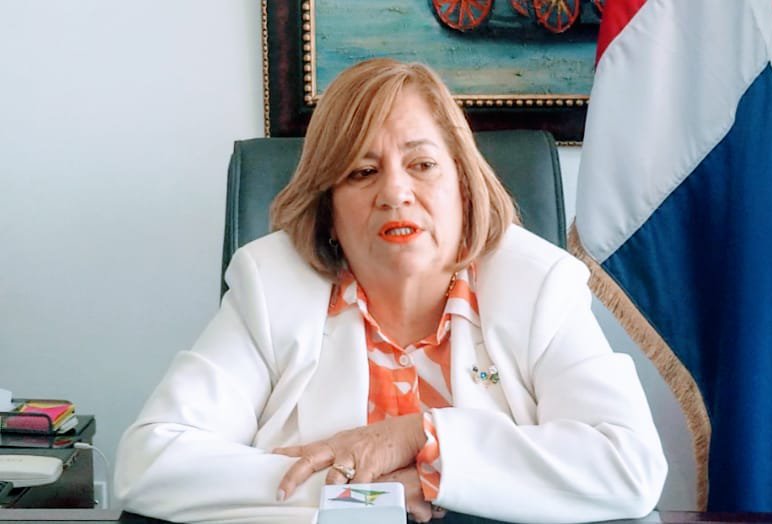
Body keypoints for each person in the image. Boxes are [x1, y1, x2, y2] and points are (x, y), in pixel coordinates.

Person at [114, 58, 667, 523]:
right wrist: (360, 500)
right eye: (361, 172)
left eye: (422, 164)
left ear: (464, 188)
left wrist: (419, 438)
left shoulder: (536, 284)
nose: (395, 192)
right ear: (329, 210)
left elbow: (629, 465)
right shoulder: (272, 284)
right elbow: (150, 462)